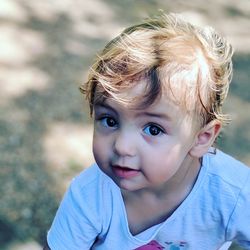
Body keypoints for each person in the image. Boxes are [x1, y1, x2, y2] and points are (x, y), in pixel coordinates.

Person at [44, 13, 250, 249]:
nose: (122, 145)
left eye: (153, 129)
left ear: (201, 138)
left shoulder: (232, 193)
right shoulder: (90, 195)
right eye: (110, 121)